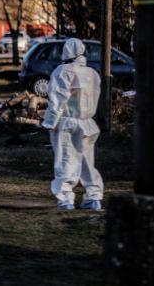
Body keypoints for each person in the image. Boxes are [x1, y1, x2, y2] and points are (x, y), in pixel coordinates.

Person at [41, 38, 104, 211]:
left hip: (68, 123)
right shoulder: (92, 73)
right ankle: (94, 197)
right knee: (86, 162)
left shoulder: (63, 71)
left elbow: (58, 98)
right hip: (88, 123)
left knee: (66, 161)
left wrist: (50, 121)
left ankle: (66, 199)